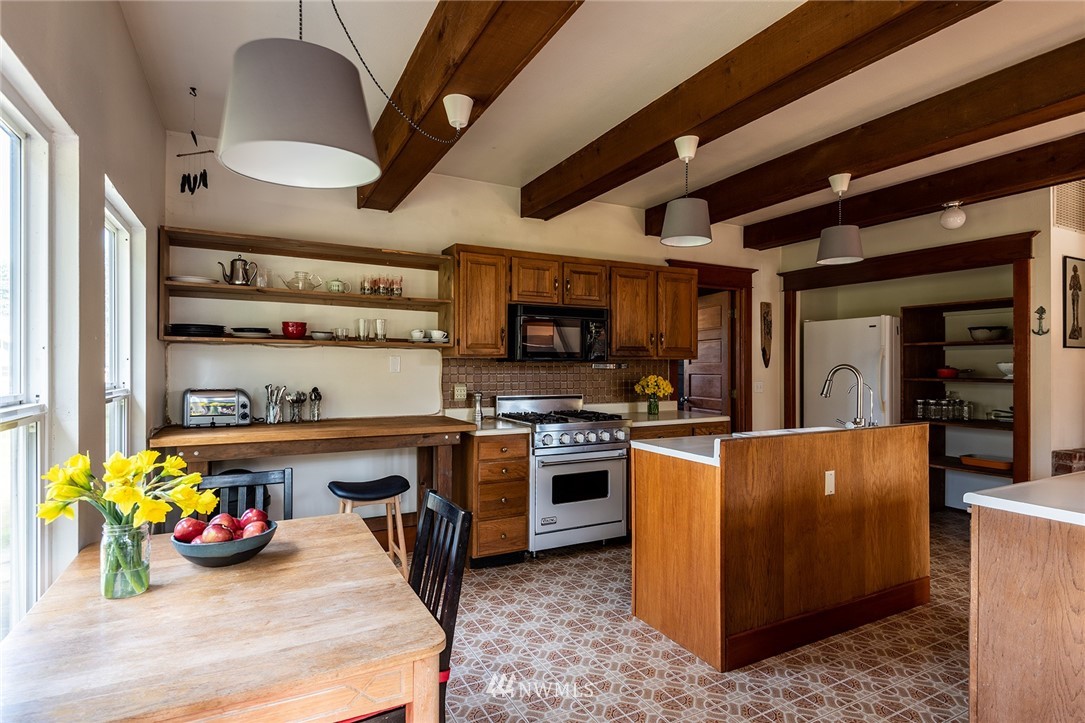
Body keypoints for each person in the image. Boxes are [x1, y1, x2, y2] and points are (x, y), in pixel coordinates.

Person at [1070, 264, 1082, 340]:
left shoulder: (1077, 276)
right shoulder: (1072, 277)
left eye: (1075, 269)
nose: (1075, 270)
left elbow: (1080, 288)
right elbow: (1070, 287)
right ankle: (1074, 327)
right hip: (1074, 293)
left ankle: (1076, 327)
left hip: (1076, 294)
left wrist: (1076, 285)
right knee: (1074, 311)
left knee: (1076, 310)